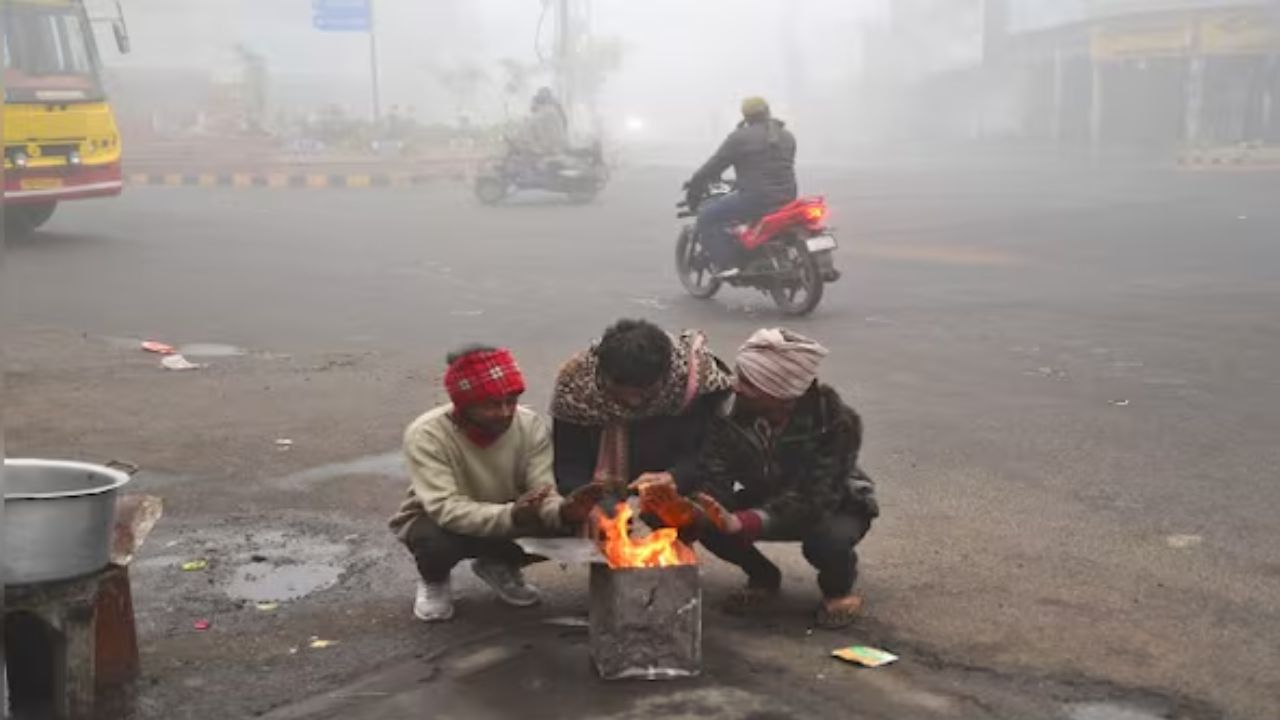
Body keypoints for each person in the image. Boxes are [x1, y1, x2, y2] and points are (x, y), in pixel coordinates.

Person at [388, 345, 601, 622]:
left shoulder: (529, 426)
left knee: (579, 527)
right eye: (491, 405)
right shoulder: (427, 435)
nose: (504, 412)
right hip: (444, 522)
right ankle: (434, 580)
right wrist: (511, 515)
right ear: (464, 405)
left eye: (511, 401)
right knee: (433, 542)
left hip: (512, 512)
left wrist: (563, 511)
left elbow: (543, 489)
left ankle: (499, 564)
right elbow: (444, 508)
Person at [687, 328, 878, 629]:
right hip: (767, 494)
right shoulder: (727, 415)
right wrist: (702, 507)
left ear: (780, 394)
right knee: (707, 525)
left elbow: (814, 499)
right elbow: (714, 472)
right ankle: (763, 577)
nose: (736, 386)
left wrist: (744, 522)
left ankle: (838, 591)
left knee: (825, 541)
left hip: (836, 502)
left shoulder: (835, 421)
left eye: (749, 383)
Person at [550, 319, 734, 503]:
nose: (634, 402)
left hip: (678, 496)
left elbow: (715, 454)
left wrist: (677, 477)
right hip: (602, 499)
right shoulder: (576, 390)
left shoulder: (694, 385)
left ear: (665, 376)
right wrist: (589, 503)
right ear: (603, 377)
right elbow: (569, 464)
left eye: (645, 393)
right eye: (621, 394)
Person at [686, 96, 798, 278]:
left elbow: (714, 166)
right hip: (788, 197)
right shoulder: (787, 136)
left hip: (755, 199)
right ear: (768, 111)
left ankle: (726, 264)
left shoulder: (739, 138)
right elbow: (774, 166)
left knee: (707, 216)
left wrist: (694, 187)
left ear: (745, 116)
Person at [513, 86, 569, 163]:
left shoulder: (539, 116)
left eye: (532, 103)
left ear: (537, 102)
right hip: (557, 150)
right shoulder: (555, 112)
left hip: (544, 153)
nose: (530, 106)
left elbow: (524, 138)